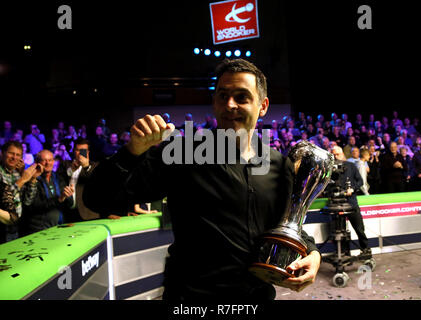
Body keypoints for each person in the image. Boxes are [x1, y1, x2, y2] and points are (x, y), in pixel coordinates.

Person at [83, 58, 321, 300]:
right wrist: (131, 152)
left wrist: (312, 252)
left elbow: (288, 222)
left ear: (263, 106)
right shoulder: (181, 154)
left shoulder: (278, 164)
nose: (230, 104)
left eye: (241, 97)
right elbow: (98, 199)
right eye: (222, 95)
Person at [21, 150, 74, 235]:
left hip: (59, 227)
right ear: (37, 162)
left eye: (50, 160)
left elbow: (68, 204)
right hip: (38, 230)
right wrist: (59, 199)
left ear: (53, 161)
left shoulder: (58, 178)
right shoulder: (32, 180)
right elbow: (33, 206)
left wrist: (68, 196)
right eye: (44, 160)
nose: (48, 163)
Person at [330, 146, 371, 256]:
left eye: (337, 154)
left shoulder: (351, 166)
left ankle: (366, 250)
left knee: (359, 229)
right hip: (336, 205)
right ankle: (344, 253)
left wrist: (352, 189)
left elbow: (360, 181)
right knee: (340, 232)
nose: (335, 157)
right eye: (333, 155)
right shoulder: (331, 169)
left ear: (342, 154)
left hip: (351, 203)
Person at [0, 141, 42, 241]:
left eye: (18, 155)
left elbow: (27, 201)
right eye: (11, 153)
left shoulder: (17, 173)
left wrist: (32, 180)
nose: (14, 157)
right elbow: (4, 199)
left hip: (17, 228)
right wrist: (22, 180)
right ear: (2, 153)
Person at [57, 137, 100, 222]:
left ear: (88, 152)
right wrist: (71, 170)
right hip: (68, 212)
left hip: (89, 214)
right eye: (77, 150)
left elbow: (97, 184)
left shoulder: (95, 166)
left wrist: (86, 167)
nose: (80, 153)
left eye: (83, 150)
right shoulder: (65, 164)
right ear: (74, 151)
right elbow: (59, 180)